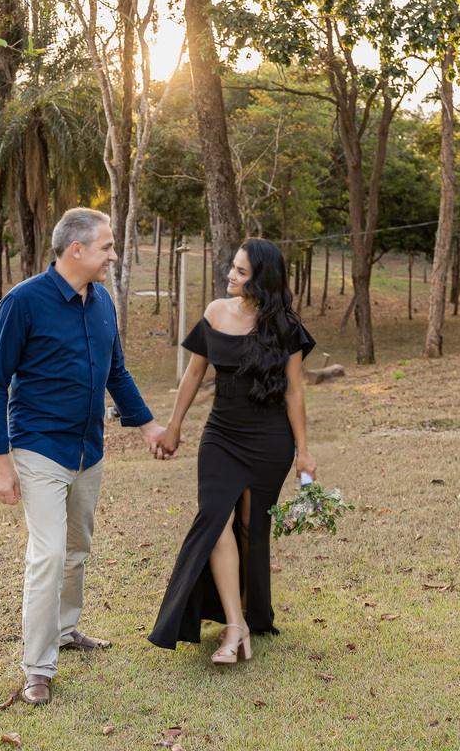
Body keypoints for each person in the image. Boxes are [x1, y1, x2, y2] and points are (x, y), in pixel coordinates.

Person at [0, 208, 168, 707]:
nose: (113, 255)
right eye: (106, 246)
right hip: (39, 447)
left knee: (78, 547)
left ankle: (65, 630)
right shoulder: (23, 302)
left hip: (89, 449)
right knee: (50, 554)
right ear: (75, 249)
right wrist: (0, 461)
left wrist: (148, 427)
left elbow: (116, 372)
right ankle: (37, 668)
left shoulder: (102, 300)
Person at [147, 238, 316, 664]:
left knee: (249, 528)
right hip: (220, 435)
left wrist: (304, 452)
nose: (231, 276)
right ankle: (235, 627)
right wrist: (174, 425)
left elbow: (295, 392)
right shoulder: (215, 312)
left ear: (263, 277)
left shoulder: (286, 325)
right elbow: (193, 375)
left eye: (241, 271)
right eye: (233, 268)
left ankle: (247, 616)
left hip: (270, 438)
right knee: (216, 518)